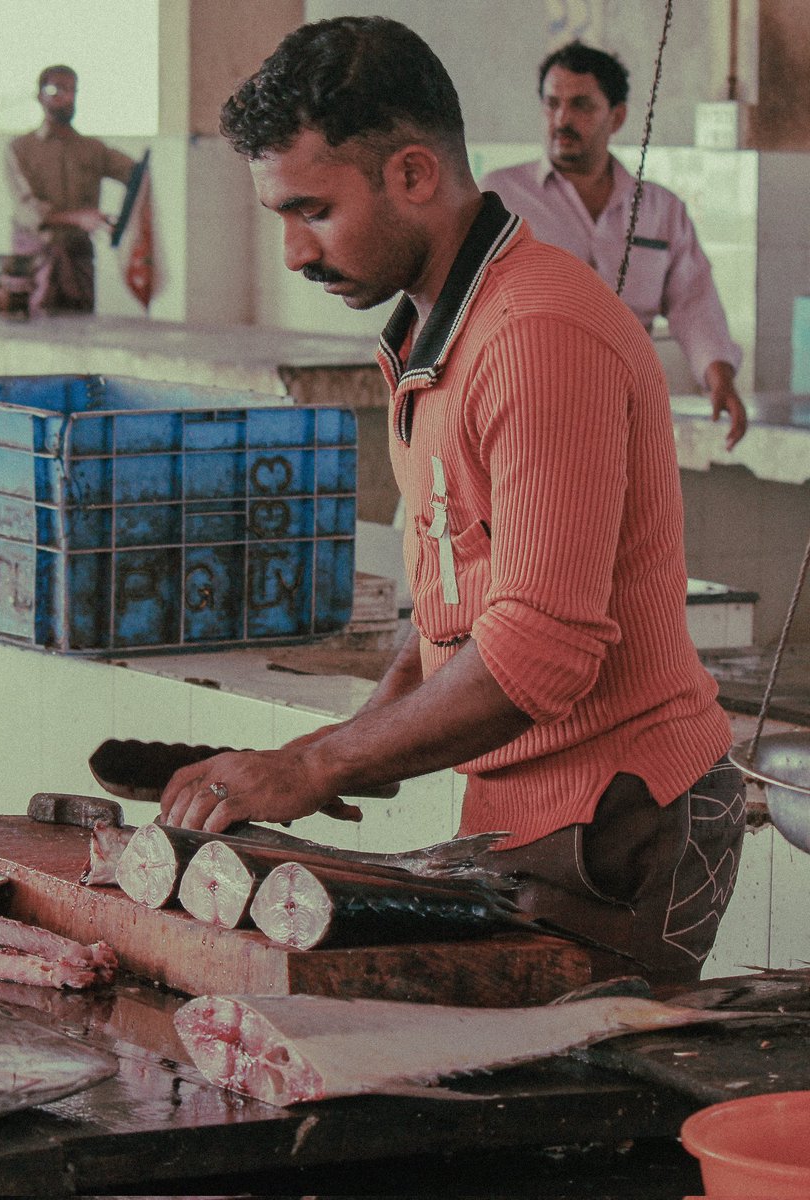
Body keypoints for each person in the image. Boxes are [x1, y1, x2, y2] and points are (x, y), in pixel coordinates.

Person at [158, 16, 745, 986]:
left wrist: (317, 769)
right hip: (524, 807)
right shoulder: (441, 329)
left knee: (576, 1115)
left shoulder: (536, 335)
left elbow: (539, 651)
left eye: (312, 210)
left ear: (415, 175)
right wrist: (339, 746)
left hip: (620, 816)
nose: (296, 252)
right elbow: (458, 603)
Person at [480, 41, 747, 449]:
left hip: (628, 410)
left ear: (617, 117)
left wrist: (719, 378)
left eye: (581, 105)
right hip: (523, 407)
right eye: (552, 104)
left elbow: (694, 301)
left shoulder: (661, 210)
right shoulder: (499, 197)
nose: (562, 119)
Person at [6, 64, 137, 313]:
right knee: (34, 336)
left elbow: (137, 176)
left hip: (79, 261)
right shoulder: (20, 149)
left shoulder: (93, 150)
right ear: (39, 95)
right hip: (37, 262)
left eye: (72, 90)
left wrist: (120, 222)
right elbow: (28, 211)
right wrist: (79, 218)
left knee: (81, 332)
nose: (66, 97)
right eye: (57, 89)